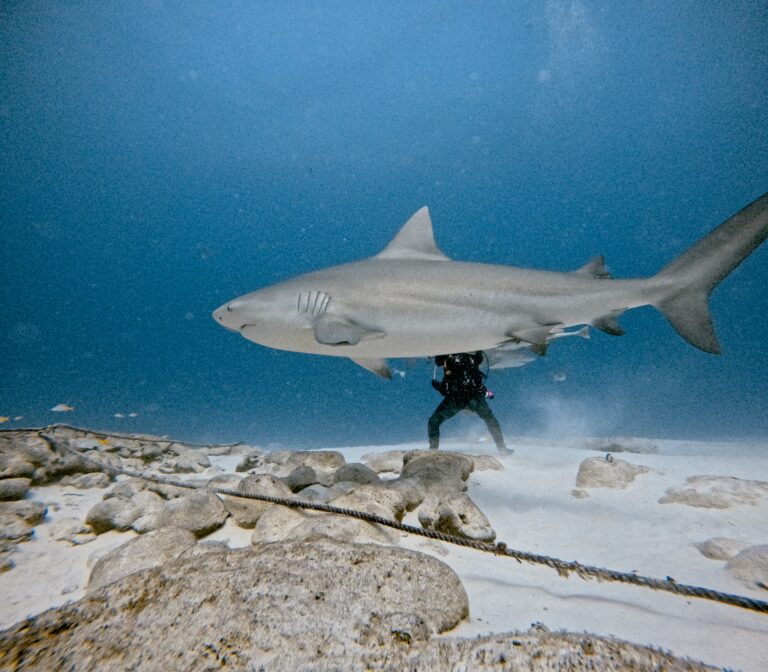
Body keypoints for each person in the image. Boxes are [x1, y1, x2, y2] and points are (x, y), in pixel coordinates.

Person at [428, 351, 511, 455]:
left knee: (433, 422)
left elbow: (444, 388)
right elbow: (479, 359)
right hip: (475, 397)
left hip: (455, 400)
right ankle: (502, 449)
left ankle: (432, 451)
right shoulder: (473, 356)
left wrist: (436, 385)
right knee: (490, 419)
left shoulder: (447, 357)